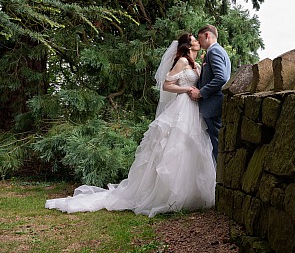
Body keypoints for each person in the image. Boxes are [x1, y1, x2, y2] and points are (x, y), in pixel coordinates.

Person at [45, 33, 216, 217]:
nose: (198, 42)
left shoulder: (196, 64)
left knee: (191, 147)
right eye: (194, 39)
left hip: (193, 108)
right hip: (182, 105)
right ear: (188, 45)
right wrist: (187, 89)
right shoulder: (182, 61)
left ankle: (192, 194)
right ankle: (167, 196)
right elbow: (166, 85)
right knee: (175, 146)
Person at [188, 25, 231, 162]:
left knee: (217, 145)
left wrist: (201, 93)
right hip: (214, 105)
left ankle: (220, 178)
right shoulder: (217, 51)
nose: (199, 43)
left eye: (199, 38)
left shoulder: (214, 51)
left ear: (207, 35)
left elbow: (221, 78)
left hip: (213, 106)